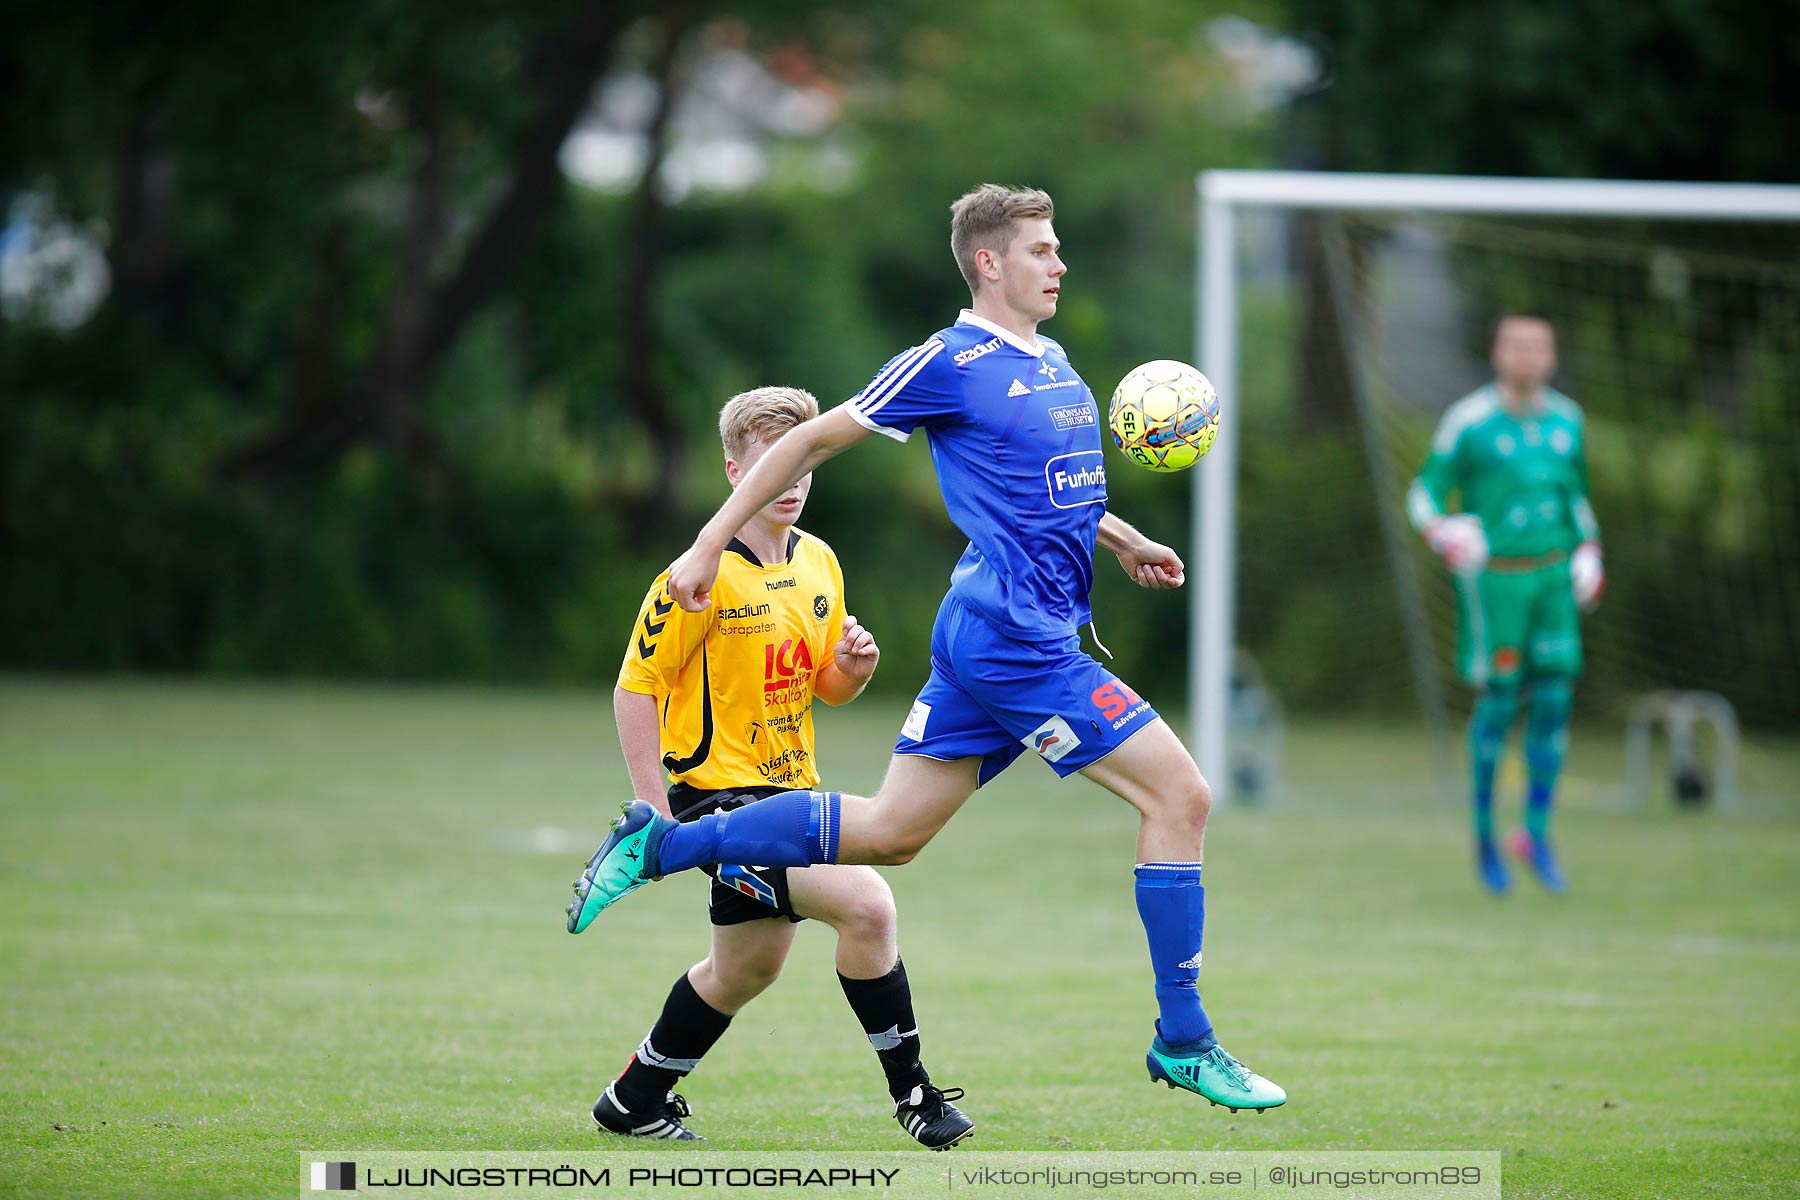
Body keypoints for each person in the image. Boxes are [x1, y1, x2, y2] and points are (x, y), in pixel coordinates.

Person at [568, 183, 1285, 1114]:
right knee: (1181, 794)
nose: (1059, 263)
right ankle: (1184, 1038)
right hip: (1017, 645)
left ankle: (662, 845)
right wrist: (711, 540)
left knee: (890, 834)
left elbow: (1052, 492)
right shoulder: (948, 360)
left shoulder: (1055, 360)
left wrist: (1123, 538)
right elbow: (809, 445)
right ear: (989, 263)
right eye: (1040, 249)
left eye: (1057, 247)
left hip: (1007, 631)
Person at [584, 386, 973, 1148]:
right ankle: (916, 1095)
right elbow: (636, 690)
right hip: (715, 803)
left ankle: (634, 1099)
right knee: (867, 906)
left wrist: (855, 669)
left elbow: (824, 686)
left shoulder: (819, 562)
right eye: (772, 465)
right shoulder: (696, 575)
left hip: (788, 792)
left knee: (746, 969)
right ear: (736, 472)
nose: (790, 482)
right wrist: (655, 817)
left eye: (802, 464)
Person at [1407, 314, 1603, 896]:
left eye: (1539, 345)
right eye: (1517, 344)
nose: (1527, 355)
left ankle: (1536, 834)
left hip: (1554, 580)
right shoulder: (1469, 421)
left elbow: (1578, 499)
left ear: (1552, 355)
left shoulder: (1569, 419)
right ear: (1497, 353)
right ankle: (1484, 839)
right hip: (1498, 585)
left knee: (1554, 702)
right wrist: (1443, 532)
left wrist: (1589, 551)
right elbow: (1424, 493)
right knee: (1498, 706)